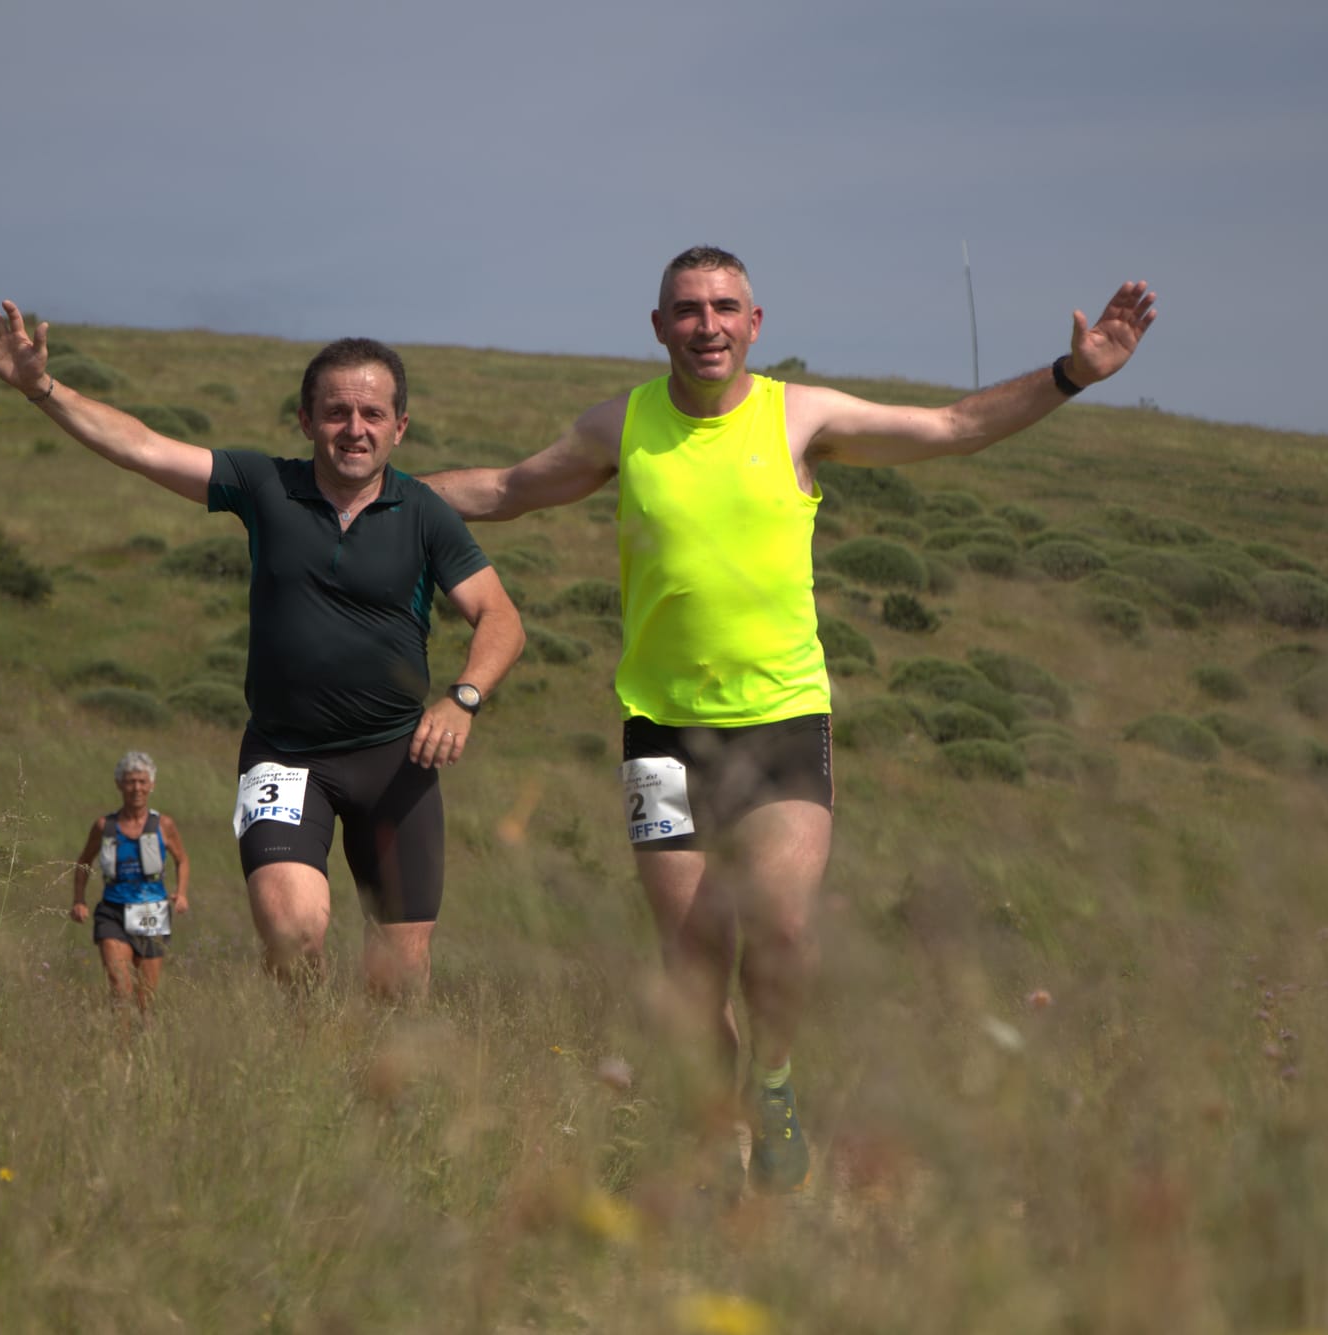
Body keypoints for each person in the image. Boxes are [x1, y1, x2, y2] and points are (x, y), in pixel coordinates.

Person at [425, 246, 1157, 1193]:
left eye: (725, 306)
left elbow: (950, 426)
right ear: (658, 328)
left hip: (781, 723)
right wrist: (362, 489)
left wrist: (1071, 374)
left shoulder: (798, 416)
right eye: (686, 309)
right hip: (659, 733)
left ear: (755, 323)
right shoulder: (623, 426)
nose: (707, 324)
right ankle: (712, 1139)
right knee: (691, 971)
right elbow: (508, 489)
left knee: (779, 928)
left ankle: (773, 1087)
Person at [0, 302, 524, 1000]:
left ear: (399, 426)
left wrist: (464, 695)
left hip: (396, 761)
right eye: (336, 412)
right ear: (305, 419)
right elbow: (142, 446)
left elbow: (500, 616)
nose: (354, 429)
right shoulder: (265, 487)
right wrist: (41, 388)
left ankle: (375, 1091)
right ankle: (311, 1057)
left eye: (373, 414)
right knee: (292, 933)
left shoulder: (424, 514)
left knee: (401, 973)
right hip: (285, 758)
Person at [71, 750, 191, 1013]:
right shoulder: (104, 826)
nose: (136, 787)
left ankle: (143, 1048)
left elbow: (182, 860)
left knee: (145, 997)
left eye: (142, 781)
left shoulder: (163, 825)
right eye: (130, 781)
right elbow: (83, 863)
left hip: (152, 911)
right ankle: (119, 1049)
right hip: (112, 912)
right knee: (120, 988)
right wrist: (79, 900)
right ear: (119, 784)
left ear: (151, 785)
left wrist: (181, 893)